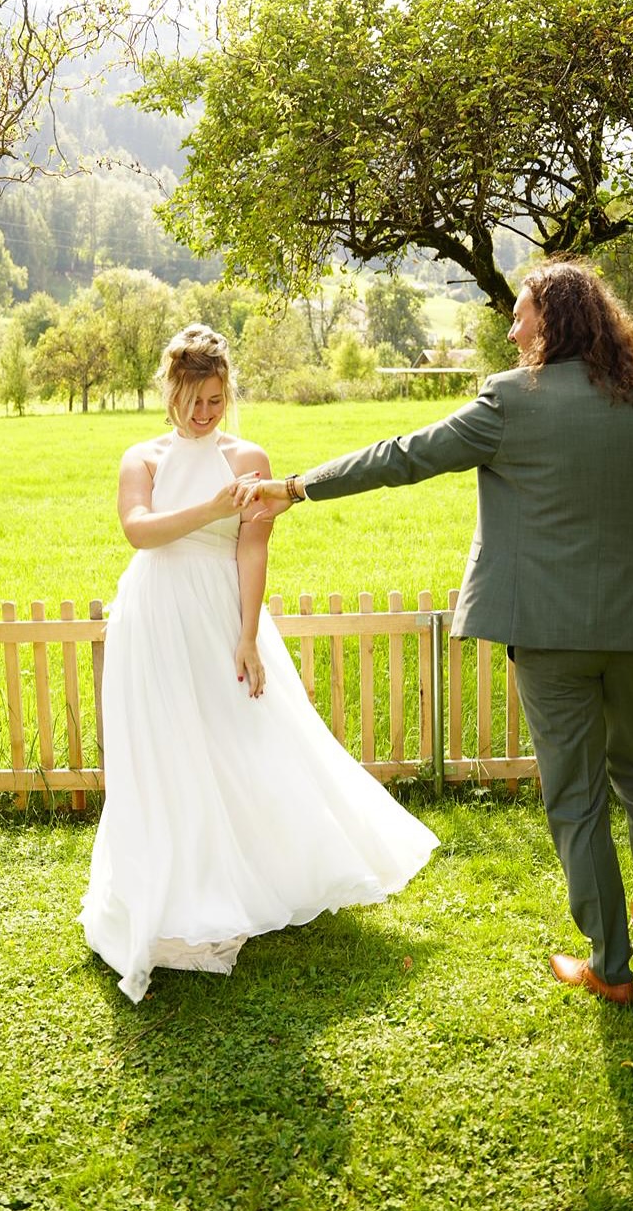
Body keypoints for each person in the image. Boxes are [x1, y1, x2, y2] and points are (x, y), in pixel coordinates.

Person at [233, 260, 633, 1007]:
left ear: (552, 321)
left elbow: (404, 456)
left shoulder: (509, 400)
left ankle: (611, 965)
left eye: (521, 315)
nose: (511, 330)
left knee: (576, 796)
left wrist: (296, 486)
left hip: (549, 632)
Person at [79, 323, 438, 1003]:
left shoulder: (249, 458)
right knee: (165, 747)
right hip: (155, 614)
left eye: (215, 399)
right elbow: (138, 530)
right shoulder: (142, 458)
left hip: (221, 612)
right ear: (169, 391)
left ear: (228, 393)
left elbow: (251, 546)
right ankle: (172, 887)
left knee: (241, 737)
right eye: (192, 399)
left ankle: (253, 876)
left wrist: (247, 636)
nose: (203, 412)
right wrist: (209, 506)